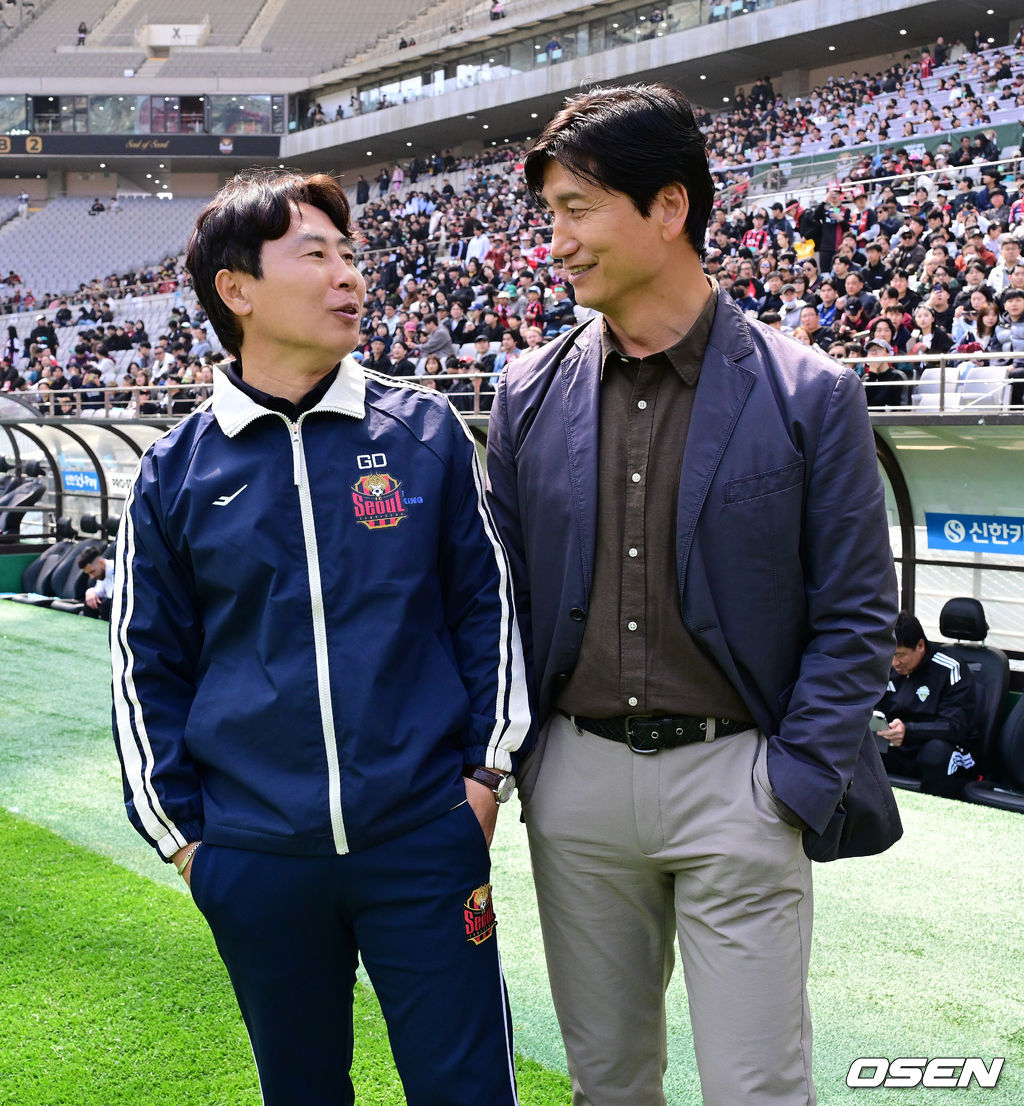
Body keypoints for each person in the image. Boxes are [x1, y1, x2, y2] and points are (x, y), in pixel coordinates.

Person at [486, 84, 898, 1106]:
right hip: (575, 784)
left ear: (669, 206)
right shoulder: (523, 393)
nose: (556, 242)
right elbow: (500, 603)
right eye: (551, 214)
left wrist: (789, 782)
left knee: (759, 1089)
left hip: (741, 782)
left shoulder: (812, 392)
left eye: (576, 209)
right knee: (608, 1086)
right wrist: (529, 764)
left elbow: (857, 612)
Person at [111, 170, 529, 1106]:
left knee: (467, 1089)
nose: (349, 275)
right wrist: (189, 844)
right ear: (236, 289)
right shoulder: (174, 471)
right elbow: (145, 665)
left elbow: (487, 609)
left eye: (350, 254)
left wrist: (483, 779)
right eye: (316, 254)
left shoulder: (422, 429)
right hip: (255, 854)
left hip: (425, 833)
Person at [877, 611, 976, 796]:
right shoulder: (886, 668)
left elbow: (955, 726)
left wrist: (908, 731)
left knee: (935, 753)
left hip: (941, 748)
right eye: (890, 655)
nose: (895, 663)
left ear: (920, 645)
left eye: (901, 655)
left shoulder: (949, 668)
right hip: (895, 746)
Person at [77, 545, 113, 619]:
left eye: (92, 572)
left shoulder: (119, 568)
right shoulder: (103, 572)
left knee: (106, 604)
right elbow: (99, 591)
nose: (92, 577)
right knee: (90, 603)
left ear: (101, 562)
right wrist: (90, 592)